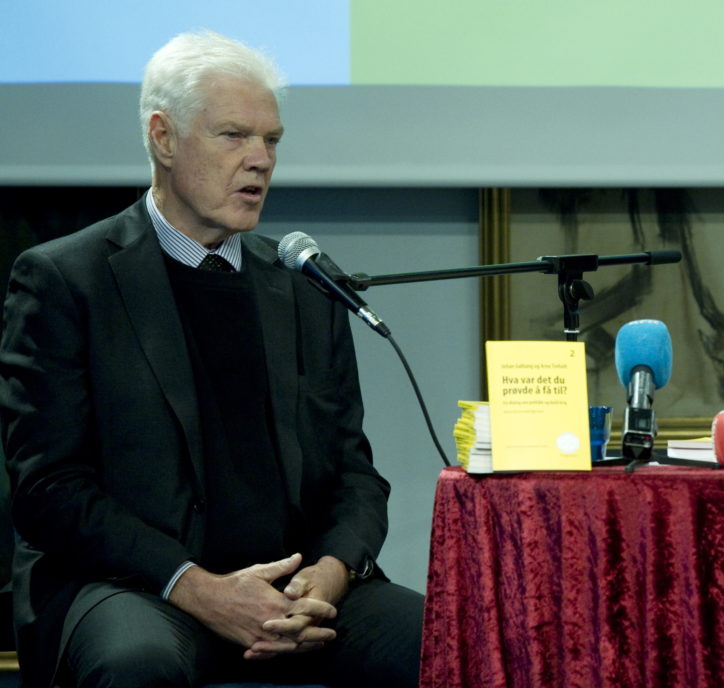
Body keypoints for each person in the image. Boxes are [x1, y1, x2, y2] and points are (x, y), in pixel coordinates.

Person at [0, 31, 423, 688]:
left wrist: (331, 573)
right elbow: (48, 490)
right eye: (234, 136)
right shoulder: (65, 280)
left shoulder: (304, 285)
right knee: (136, 666)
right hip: (135, 586)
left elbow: (355, 474)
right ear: (163, 138)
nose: (260, 160)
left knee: (446, 644)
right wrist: (196, 587)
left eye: (272, 140)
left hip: (294, 587)